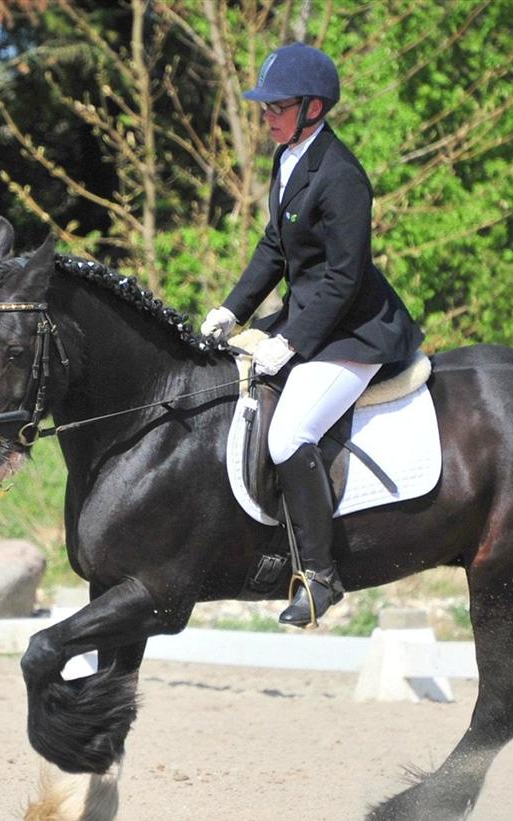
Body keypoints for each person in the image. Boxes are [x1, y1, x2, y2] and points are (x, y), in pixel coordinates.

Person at [201, 42, 424, 628]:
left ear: (313, 107)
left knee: (288, 432)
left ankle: (321, 577)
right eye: (266, 106)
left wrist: (291, 341)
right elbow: (275, 247)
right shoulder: (288, 160)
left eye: (278, 106)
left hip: (355, 330)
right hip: (310, 320)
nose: (267, 116)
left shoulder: (343, 176)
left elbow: (346, 277)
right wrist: (233, 309)